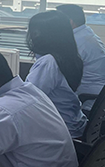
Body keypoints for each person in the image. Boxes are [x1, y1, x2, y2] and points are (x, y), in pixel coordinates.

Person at [25, 10, 87, 138]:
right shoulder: (69, 56)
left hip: (59, 129)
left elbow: (27, 99)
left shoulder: (49, 62)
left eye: (36, 32)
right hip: (73, 121)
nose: (33, 36)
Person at [56, 4, 105, 111]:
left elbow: (60, 71)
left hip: (87, 99)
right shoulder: (86, 34)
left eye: (57, 21)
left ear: (70, 22)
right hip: (98, 96)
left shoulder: (77, 42)